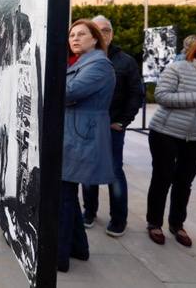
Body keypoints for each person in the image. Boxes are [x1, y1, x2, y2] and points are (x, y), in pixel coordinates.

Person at [145, 32, 196, 247]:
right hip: (165, 132)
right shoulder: (178, 67)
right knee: (162, 178)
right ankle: (154, 223)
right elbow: (162, 97)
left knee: (184, 182)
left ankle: (177, 224)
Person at [58, 19, 115, 272]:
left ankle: (59, 256)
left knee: (64, 195)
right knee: (66, 191)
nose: (75, 39)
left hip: (82, 135)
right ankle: (79, 248)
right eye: (72, 35)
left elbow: (67, 92)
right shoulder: (83, 62)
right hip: (75, 131)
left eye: (82, 34)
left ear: (95, 38)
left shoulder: (99, 64)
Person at [82, 15, 144, 237]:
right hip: (86, 127)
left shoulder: (125, 61)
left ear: (112, 33)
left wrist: (122, 121)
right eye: (96, 30)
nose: (102, 34)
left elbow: (136, 94)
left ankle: (119, 219)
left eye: (106, 30)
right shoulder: (82, 58)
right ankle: (89, 212)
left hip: (111, 128)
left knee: (114, 172)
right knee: (88, 172)